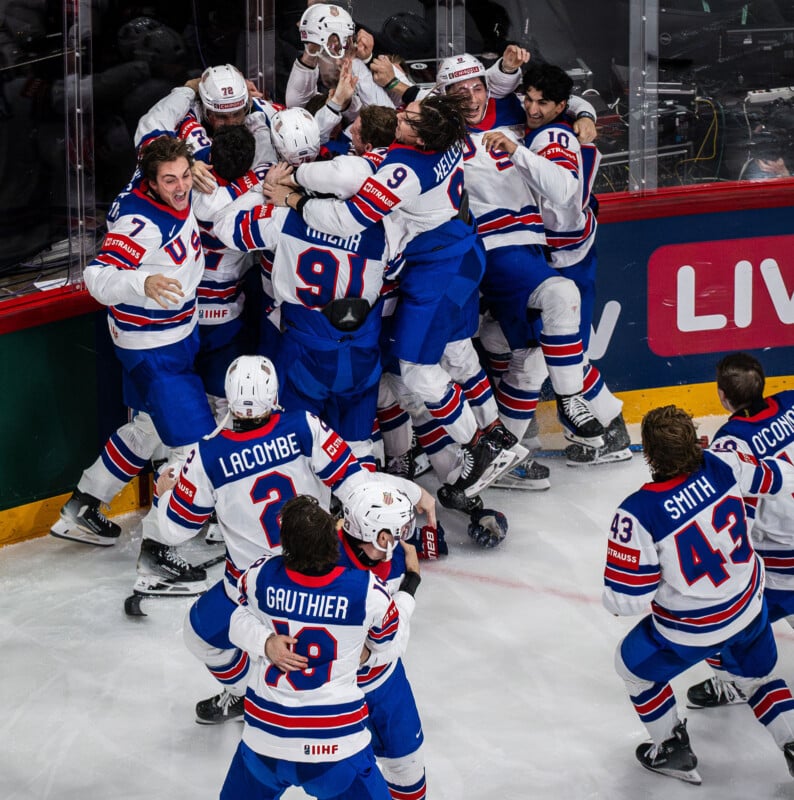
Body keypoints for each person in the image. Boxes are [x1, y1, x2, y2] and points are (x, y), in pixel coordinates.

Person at [263, 93, 520, 508]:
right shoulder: (445, 138)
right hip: (462, 254)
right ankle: (493, 433)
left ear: (419, 136)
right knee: (456, 353)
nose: (402, 113)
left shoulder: (405, 169)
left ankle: (482, 445)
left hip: (439, 269)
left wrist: (293, 197)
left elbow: (348, 220)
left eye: (409, 116)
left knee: (416, 372)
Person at [155, 355, 435, 723]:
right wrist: (410, 491)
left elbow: (175, 530)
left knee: (199, 635)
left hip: (251, 586)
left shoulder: (206, 456)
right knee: (361, 639)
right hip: (322, 571)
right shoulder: (303, 426)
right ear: (274, 395)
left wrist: (164, 495)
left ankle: (247, 694)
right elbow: (357, 486)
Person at [51, 135, 215, 595]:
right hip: (155, 347)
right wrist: (144, 280)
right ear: (151, 180)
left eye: (185, 175)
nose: (182, 186)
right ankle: (158, 556)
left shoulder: (152, 180)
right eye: (172, 179)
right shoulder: (141, 223)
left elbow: (158, 129)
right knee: (195, 449)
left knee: (146, 429)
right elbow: (97, 277)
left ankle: (82, 507)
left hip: (166, 336)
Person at [434, 52, 605, 493]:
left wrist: (583, 113)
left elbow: (560, 100)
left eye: (476, 87)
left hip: (529, 249)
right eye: (459, 91)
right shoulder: (439, 135)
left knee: (527, 363)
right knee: (561, 295)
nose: (471, 98)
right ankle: (571, 400)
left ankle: (499, 459)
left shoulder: (513, 113)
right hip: (494, 247)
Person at [603, 404, 794, 784]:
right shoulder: (725, 463)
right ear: (695, 441)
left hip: (690, 631)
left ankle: (672, 749)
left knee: (632, 669)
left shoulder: (638, 512)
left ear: (650, 455)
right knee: (758, 679)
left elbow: (625, 601)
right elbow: (782, 476)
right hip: (749, 607)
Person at [212, 106, 386, 465]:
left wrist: (262, 189)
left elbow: (225, 227)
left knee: (296, 437)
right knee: (359, 443)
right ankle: (367, 497)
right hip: (361, 347)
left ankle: (308, 512)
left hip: (303, 344)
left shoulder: (282, 217)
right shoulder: (377, 221)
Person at [481, 62, 631, 468]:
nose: (531, 108)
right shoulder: (554, 119)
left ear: (558, 106)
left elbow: (564, 193)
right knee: (529, 346)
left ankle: (610, 428)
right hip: (559, 252)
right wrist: (583, 112)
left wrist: (519, 151)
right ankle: (604, 427)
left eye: (541, 102)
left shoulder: (553, 135)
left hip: (564, 257)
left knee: (555, 353)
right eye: (528, 99)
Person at [219, 494, 400, 800]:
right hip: (336, 748)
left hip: (266, 743)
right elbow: (386, 641)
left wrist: (265, 641)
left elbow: (236, 617)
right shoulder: (367, 591)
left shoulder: (261, 575)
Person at [684, 352, 794, 708]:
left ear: (722, 396)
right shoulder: (791, 400)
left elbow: (728, 513)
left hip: (779, 564)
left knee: (724, 621)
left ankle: (734, 682)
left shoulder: (730, 441)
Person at [339, 482, 427, 799]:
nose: (404, 534)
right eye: (396, 529)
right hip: (341, 696)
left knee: (408, 770)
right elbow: (388, 647)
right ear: (377, 533)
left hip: (386, 683)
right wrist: (410, 589)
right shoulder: (330, 570)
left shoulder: (393, 555)